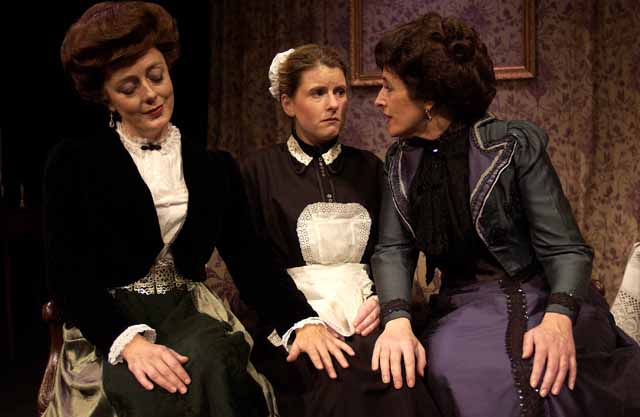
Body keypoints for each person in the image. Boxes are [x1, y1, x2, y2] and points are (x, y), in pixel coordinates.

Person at [43, 2, 315, 416]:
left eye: (156, 76)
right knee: (150, 390)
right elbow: (66, 274)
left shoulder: (214, 167)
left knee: (209, 365)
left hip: (189, 313)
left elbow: (251, 258)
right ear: (106, 98)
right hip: (107, 322)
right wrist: (127, 342)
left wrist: (300, 321)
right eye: (129, 87)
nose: (150, 94)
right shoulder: (72, 163)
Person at [370, 12, 640, 417]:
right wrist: (396, 319)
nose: (378, 100)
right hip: (462, 307)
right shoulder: (400, 162)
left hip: (542, 295)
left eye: (388, 87)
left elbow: (567, 249)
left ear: (428, 99)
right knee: (460, 368)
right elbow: (393, 249)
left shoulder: (512, 144)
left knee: (549, 374)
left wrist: (558, 319)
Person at [240, 44, 441, 417]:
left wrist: (384, 299)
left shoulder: (370, 169)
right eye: (318, 93)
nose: (333, 104)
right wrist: (299, 322)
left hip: (366, 311)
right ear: (288, 103)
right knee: (332, 380)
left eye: (340, 91)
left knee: (397, 374)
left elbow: (391, 247)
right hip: (293, 316)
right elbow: (252, 264)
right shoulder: (258, 172)